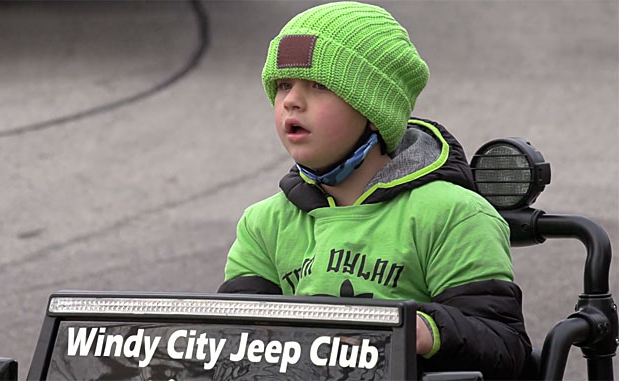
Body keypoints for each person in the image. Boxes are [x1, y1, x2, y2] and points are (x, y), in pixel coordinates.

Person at [218, 2, 531, 379]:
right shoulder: (264, 223)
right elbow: (230, 345)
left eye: (318, 85)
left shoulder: (452, 213)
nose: (291, 101)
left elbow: (504, 348)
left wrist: (422, 331)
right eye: (284, 84)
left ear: (374, 107)